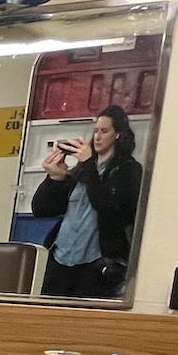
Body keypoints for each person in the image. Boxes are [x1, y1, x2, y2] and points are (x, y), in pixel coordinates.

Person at [32, 105, 143, 300]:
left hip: (97, 264)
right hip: (62, 258)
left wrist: (89, 164)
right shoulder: (81, 170)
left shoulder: (129, 170)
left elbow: (109, 208)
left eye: (104, 131)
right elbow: (41, 210)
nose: (98, 137)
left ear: (118, 134)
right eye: (96, 131)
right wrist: (55, 178)